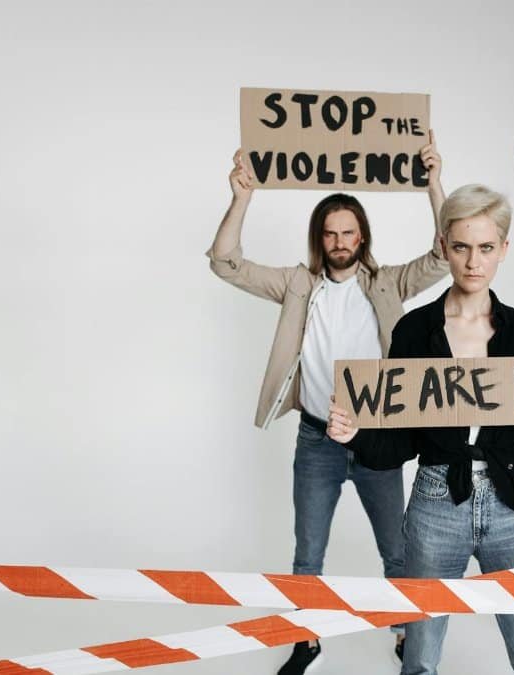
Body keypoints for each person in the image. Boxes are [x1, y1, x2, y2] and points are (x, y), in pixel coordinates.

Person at [327, 184, 514, 675]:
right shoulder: (415, 331)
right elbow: (398, 440)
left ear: (504, 249)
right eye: (461, 247)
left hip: (511, 507)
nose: (473, 262)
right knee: (418, 660)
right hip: (437, 501)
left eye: (484, 248)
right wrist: (354, 434)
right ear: (443, 247)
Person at [206, 135, 450, 675]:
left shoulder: (387, 283)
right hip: (316, 439)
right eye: (330, 232)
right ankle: (306, 639)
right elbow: (225, 263)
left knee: (398, 552)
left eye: (348, 231)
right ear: (321, 237)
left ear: (362, 235)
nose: (339, 240)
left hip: (376, 440)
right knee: (307, 555)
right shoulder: (298, 284)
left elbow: (443, 255)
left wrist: (433, 182)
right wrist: (241, 197)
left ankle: (408, 635)